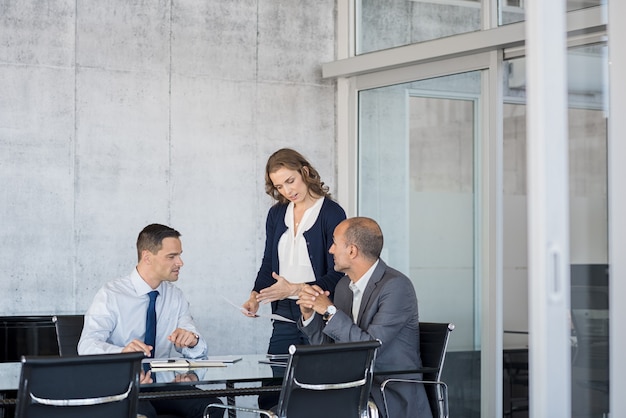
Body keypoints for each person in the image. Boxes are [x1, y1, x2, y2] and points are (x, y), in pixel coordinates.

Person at [78, 223, 223, 418]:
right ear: (147, 257)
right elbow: (86, 346)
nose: (180, 262)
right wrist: (122, 352)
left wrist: (192, 340)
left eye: (179, 255)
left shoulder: (175, 297)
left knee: (212, 408)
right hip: (123, 387)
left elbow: (198, 352)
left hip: (163, 386)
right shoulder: (111, 295)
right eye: (172, 257)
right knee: (143, 414)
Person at [296, 217, 432, 418]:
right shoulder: (344, 286)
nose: (330, 250)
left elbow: (370, 348)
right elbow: (331, 348)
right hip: (353, 387)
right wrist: (309, 315)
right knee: (297, 400)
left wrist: (330, 312)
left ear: (352, 251)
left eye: (334, 243)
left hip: (388, 392)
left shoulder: (397, 287)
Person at [242, 148, 346, 408]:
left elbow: (339, 271)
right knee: (273, 391)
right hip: (285, 312)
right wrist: (255, 296)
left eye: (290, 181)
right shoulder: (277, 214)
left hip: (319, 309)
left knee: (315, 388)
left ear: (305, 172)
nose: (288, 190)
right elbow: (269, 264)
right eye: (280, 186)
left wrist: (299, 289)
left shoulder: (331, 212)